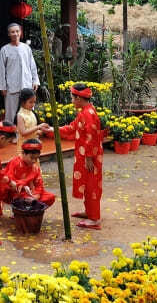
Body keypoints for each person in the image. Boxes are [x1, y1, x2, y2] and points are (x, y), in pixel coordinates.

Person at [58, 83, 103, 229]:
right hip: (85, 155)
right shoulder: (85, 111)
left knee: (91, 186)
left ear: (78, 98)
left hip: (90, 156)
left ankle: (94, 219)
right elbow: (71, 128)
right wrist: (52, 129)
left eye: (72, 98)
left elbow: (91, 137)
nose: (71, 101)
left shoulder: (87, 113)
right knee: (87, 183)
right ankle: (89, 212)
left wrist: (89, 157)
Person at [0, 138, 55, 229]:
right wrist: (23, 185)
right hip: (9, 192)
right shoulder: (14, 162)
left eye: (36, 158)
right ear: (23, 153)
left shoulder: (35, 168)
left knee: (50, 197)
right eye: (32, 158)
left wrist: (34, 197)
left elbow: (39, 186)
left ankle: (19, 212)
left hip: (23, 196)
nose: (34, 161)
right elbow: (9, 180)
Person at [0, 23, 39, 121]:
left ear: (20, 32)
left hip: (26, 84)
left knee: (28, 112)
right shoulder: (4, 50)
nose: (15, 34)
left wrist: (35, 80)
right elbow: (1, 69)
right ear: (9, 34)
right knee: (11, 114)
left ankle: (29, 129)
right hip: (11, 86)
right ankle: (10, 130)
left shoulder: (26, 48)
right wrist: (2, 87)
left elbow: (32, 66)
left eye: (17, 31)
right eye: (12, 32)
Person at [15, 88, 50, 153]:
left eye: (34, 102)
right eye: (30, 102)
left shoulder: (32, 113)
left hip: (34, 144)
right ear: (22, 102)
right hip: (25, 147)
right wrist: (38, 127)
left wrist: (42, 131)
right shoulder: (20, 115)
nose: (33, 104)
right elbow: (23, 132)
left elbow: (32, 129)